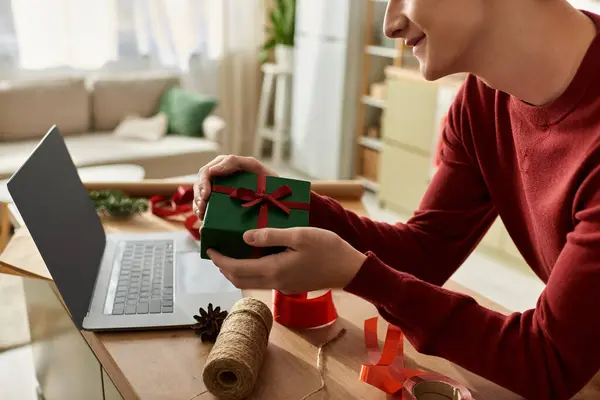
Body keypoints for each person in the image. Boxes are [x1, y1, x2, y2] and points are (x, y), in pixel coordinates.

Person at [193, 0, 600, 398]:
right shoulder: (482, 100)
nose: (389, 25)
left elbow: (549, 361)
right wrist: (292, 203)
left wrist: (357, 274)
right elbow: (424, 253)